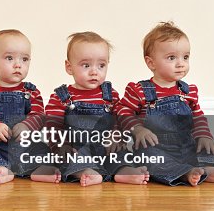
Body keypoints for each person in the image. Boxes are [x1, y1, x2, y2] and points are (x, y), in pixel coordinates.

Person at [116, 21, 214, 186]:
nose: (181, 63)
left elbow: (197, 116)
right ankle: (184, 173)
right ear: (151, 63)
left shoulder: (188, 91)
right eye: (171, 58)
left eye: (185, 57)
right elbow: (122, 111)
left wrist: (204, 135)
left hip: (186, 146)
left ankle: (208, 168)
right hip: (155, 148)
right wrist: (138, 129)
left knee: (212, 150)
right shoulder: (139, 90)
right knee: (150, 160)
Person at [46, 32, 149, 187]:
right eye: (86, 65)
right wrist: (61, 145)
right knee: (72, 158)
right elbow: (53, 125)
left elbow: (117, 119)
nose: (94, 71)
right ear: (69, 67)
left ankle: (124, 172)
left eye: (101, 65)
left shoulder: (110, 94)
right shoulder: (62, 97)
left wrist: (115, 136)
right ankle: (85, 172)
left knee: (120, 155)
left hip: (106, 145)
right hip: (76, 146)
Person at [0, 29, 58, 184]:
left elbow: (39, 116)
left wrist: (27, 126)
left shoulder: (32, 92)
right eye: (9, 58)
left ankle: (39, 170)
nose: (17, 65)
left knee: (44, 151)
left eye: (24, 59)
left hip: (26, 149)